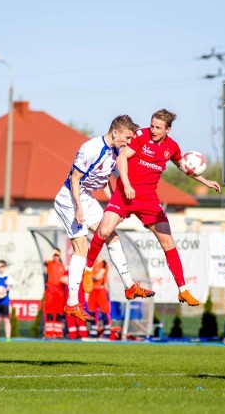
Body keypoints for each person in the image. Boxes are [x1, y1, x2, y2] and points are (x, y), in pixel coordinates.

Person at [84, 109, 221, 306]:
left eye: (158, 127)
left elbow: (184, 167)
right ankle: (88, 270)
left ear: (168, 130)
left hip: (148, 199)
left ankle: (182, 290)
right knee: (104, 230)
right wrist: (127, 184)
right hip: (125, 194)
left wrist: (204, 180)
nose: (154, 130)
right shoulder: (141, 136)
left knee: (168, 243)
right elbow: (122, 158)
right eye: (152, 125)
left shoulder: (172, 147)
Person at [55, 114, 155, 323]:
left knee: (111, 236)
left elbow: (107, 182)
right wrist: (79, 209)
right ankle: (72, 303)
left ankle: (129, 286)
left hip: (87, 197)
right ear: (115, 132)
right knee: (81, 248)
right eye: (127, 138)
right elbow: (75, 179)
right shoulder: (90, 148)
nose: (128, 142)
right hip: (69, 198)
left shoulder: (116, 152)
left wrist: (114, 206)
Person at [43, 249, 68, 338]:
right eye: (55, 255)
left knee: (58, 312)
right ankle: (49, 332)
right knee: (49, 311)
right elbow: (46, 259)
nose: (56, 256)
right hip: (50, 289)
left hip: (59, 290)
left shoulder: (62, 266)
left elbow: (65, 277)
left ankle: (57, 332)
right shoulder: (50, 264)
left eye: (58, 255)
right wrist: (53, 251)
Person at [87, 257, 112, 339]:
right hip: (92, 290)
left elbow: (97, 277)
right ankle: (93, 333)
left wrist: (88, 278)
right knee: (92, 312)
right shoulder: (91, 264)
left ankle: (107, 333)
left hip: (101, 290)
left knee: (104, 312)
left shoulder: (103, 263)